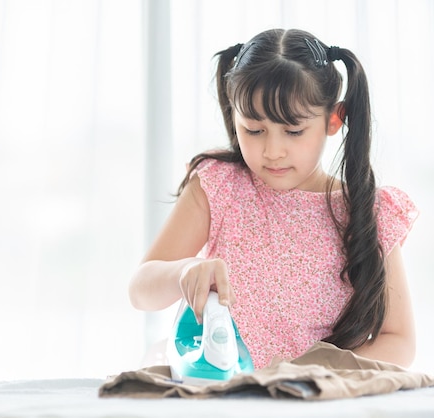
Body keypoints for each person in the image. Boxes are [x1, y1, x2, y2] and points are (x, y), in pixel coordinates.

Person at [129, 28, 418, 369]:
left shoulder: (369, 212)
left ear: (333, 120)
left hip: (316, 400)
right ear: (233, 114)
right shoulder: (218, 186)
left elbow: (398, 341)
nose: (272, 151)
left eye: (294, 131)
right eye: (253, 129)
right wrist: (183, 272)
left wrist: (300, 377)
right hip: (223, 394)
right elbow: (140, 290)